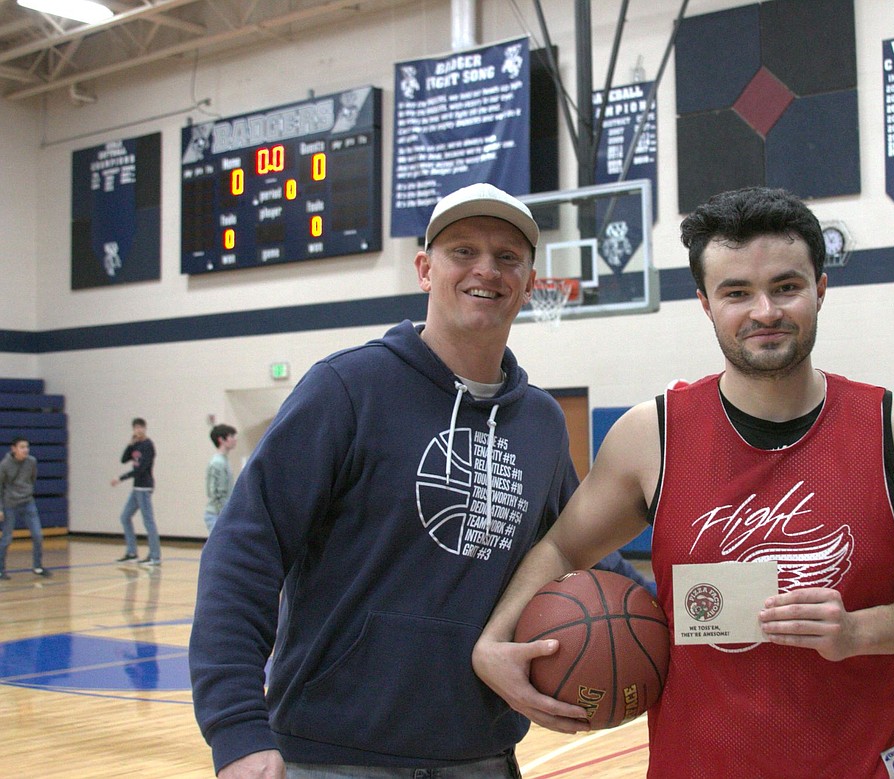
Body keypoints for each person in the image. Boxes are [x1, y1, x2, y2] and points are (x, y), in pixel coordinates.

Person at [473, 186, 894, 778]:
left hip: (856, 765)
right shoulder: (653, 436)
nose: (764, 311)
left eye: (787, 287)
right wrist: (495, 639)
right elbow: (563, 546)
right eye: (737, 292)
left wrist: (857, 630)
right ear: (705, 303)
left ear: (820, 289)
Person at [191, 183, 613, 779]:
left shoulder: (541, 421)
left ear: (529, 280)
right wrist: (234, 726)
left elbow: (579, 551)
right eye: (463, 251)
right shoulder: (346, 389)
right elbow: (245, 551)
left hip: (482, 755)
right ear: (424, 269)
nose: (486, 270)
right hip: (329, 754)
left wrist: (688, 609)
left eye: (507, 257)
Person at [111, 417, 161, 565]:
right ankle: (131, 552)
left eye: (141, 427)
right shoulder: (136, 445)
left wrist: (121, 478)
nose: (138, 430)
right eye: (136, 427)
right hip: (136, 487)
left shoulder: (148, 445)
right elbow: (123, 459)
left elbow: (141, 469)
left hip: (144, 486)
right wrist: (130, 444)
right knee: (125, 517)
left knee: (148, 521)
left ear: (145, 428)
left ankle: (154, 555)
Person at [0, 436, 52, 579]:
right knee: (7, 538)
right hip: (10, 504)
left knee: (37, 535)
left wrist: (26, 492)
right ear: (14, 449)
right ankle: (0, 569)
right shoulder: (5, 465)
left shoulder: (32, 462)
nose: (25, 450)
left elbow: (32, 479)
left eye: (27, 447)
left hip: (28, 502)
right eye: (22, 447)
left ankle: (37, 566)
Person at [204, 423, 238, 532]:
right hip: (216, 515)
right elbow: (216, 493)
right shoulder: (218, 463)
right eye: (231, 436)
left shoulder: (223, 461)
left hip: (220, 515)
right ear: (221, 440)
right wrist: (225, 515)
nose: (234, 439)